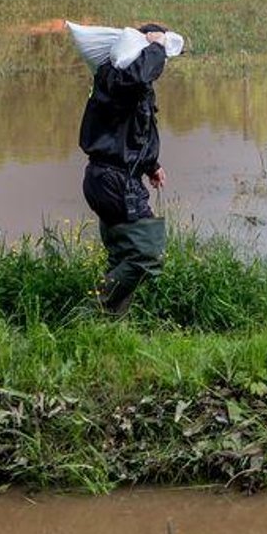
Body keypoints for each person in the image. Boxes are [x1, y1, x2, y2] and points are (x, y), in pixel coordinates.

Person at [79, 23, 171, 316]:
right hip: (114, 181)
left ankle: (108, 326)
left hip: (108, 177)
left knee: (123, 256)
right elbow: (139, 77)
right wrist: (157, 46)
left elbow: (130, 132)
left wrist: (150, 165)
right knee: (148, 254)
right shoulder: (120, 80)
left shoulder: (119, 84)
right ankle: (90, 311)